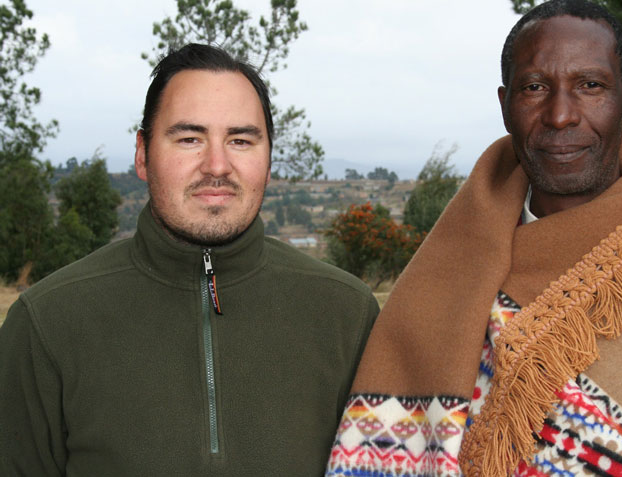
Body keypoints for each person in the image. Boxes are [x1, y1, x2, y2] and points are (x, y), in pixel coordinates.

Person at [326, 0, 622, 477]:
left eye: (589, 85)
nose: (561, 115)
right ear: (505, 105)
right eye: (536, 87)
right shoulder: (442, 279)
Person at [0, 43, 379, 476]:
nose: (216, 165)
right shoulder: (47, 324)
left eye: (240, 140)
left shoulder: (347, 314)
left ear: (269, 158)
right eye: (189, 139)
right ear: (143, 154)